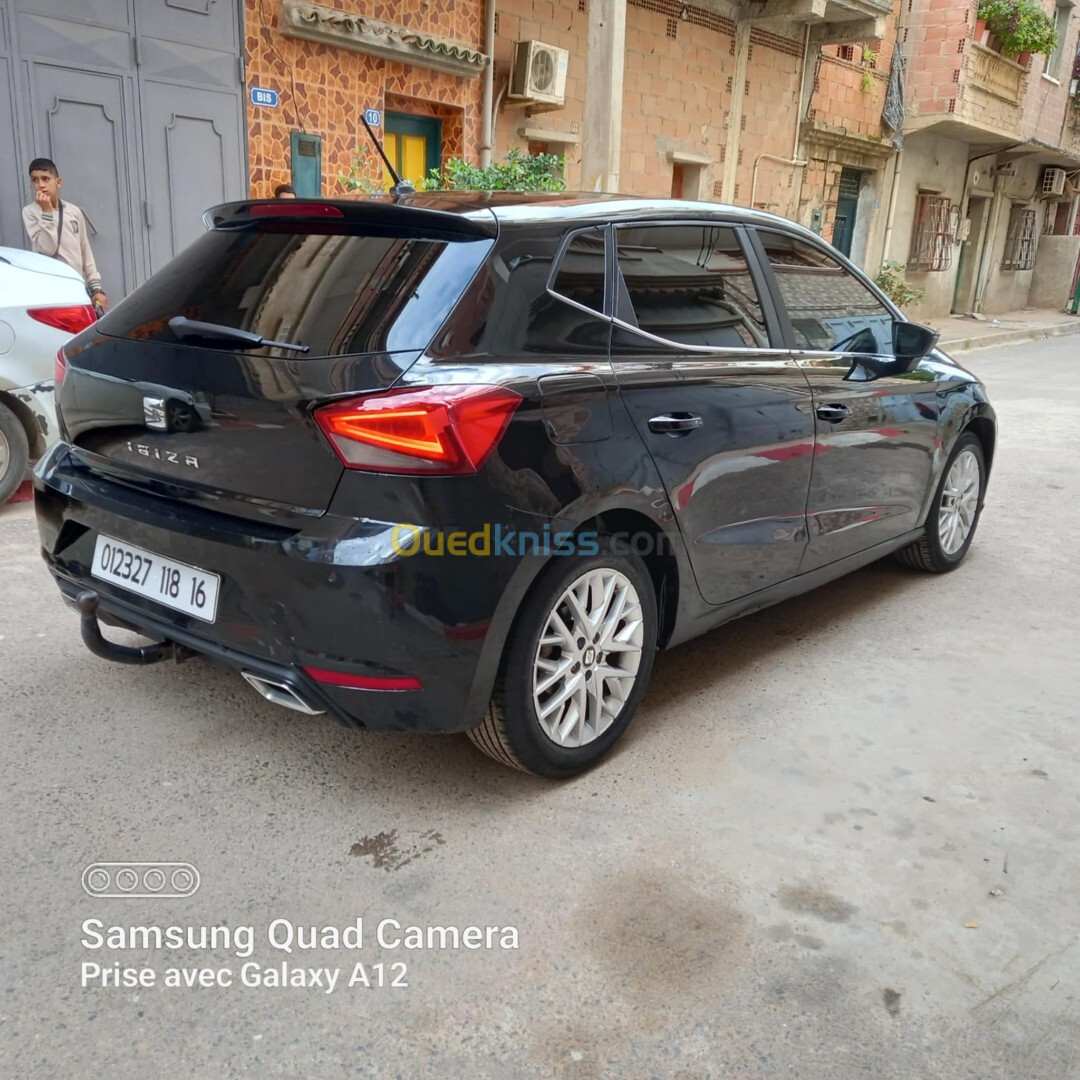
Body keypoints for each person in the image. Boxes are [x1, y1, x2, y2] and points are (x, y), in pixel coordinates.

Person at [21, 157, 108, 314]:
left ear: (58, 182)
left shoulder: (73, 211)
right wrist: (46, 212)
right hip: (50, 289)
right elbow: (47, 249)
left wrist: (96, 288)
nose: (40, 185)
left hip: (76, 286)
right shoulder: (31, 212)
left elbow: (85, 250)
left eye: (45, 179)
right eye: (35, 180)